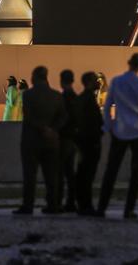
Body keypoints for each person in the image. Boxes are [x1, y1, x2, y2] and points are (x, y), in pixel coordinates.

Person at [96, 52, 138, 219]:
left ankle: (102, 208)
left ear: (128, 63)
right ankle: (129, 210)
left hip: (120, 131)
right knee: (135, 174)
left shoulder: (116, 82)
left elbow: (107, 108)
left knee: (111, 171)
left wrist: (108, 127)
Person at [15, 66, 68, 215]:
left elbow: (28, 116)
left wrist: (42, 128)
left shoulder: (28, 95)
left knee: (30, 176)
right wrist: (52, 129)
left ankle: (28, 205)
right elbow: (63, 117)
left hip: (31, 141)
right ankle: (53, 205)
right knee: (51, 176)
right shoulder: (57, 96)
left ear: (34, 77)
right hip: (51, 142)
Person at [73, 71, 104, 215]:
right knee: (86, 176)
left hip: (85, 143)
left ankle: (83, 204)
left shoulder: (83, 98)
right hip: (89, 144)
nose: (98, 83)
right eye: (95, 80)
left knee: (84, 175)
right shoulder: (87, 100)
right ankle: (86, 205)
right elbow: (89, 123)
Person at [58, 69, 79, 212]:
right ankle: (71, 201)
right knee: (70, 172)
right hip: (73, 139)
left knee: (59, 172)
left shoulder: (62, 98)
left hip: (63, 138)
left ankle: (58, 202)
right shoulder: (76, 98)